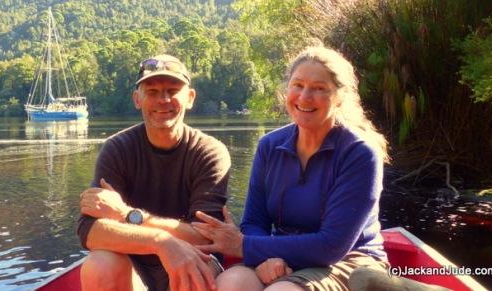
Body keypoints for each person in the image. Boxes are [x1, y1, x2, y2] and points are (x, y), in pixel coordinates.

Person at [192, 45, 390, 291]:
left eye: (319, 89)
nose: (305, 97)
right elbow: (255, 221)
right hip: (281, 253)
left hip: (349, 261)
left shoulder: (359, 154)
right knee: (229, 284)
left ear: (339, 97)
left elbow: (332, 245)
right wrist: (268, 258)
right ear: (287, 89)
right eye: (298, 85)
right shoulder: (269, 146)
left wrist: (245, 247)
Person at [77, 54, 231, 291]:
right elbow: (90, 232)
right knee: (100, 264)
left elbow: (206, 238)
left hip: (195, 259)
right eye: (152, 92)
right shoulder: (117, 149)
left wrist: (126, 214)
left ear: (190, 98)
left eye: (172, 90)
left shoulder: (210, 153)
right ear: (137, 99)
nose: (163, 100)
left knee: (191, 271)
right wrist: (160, 242)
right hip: (134, 264)